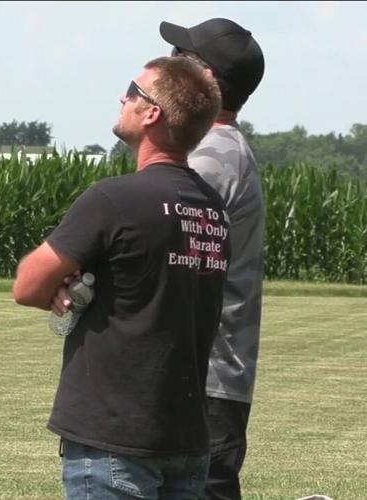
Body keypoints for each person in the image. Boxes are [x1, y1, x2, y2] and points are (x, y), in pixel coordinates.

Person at [14, 56, 228, 499]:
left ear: (152, 114)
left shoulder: (112, 200)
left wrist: (64, 286)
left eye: (133, 91)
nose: (122, 97)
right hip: (187, 436)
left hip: (115, 437)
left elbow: (28, 286)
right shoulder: (213, 208)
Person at [159, 18, 266, 500]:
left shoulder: (211, 156)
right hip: (211, 375)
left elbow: (157, 249)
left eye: (178, 58)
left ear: (204, 78)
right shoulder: (220, 149)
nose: (166, 65)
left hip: (203, 376)